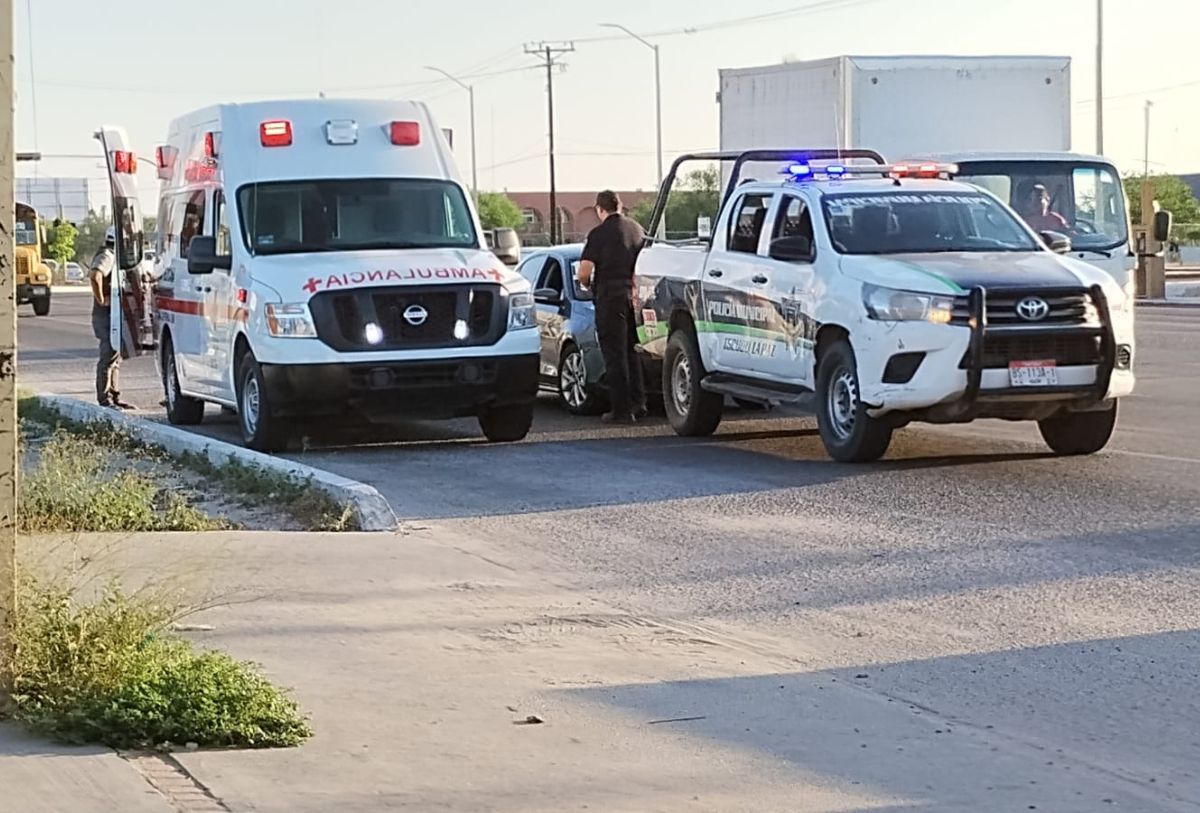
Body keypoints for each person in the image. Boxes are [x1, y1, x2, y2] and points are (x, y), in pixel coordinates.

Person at [577, 190, 647, 424]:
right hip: (635, 297)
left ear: (599, 209)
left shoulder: (598, 234)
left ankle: (621, 410)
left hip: (610, 298)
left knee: (614, 354)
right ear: (621, 206)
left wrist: (588, 286)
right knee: (632, 351)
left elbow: (584, 271)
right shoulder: (637, 230)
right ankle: (639, 403)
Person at [89, 227, 134, 410]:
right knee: (108, 356)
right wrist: (101, 300)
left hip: (112, 314)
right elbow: (95, 275)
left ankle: (114, 396)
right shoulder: (108, 255)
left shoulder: (112, 254)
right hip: (105, 315)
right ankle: (104, 398)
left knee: (115, 357)